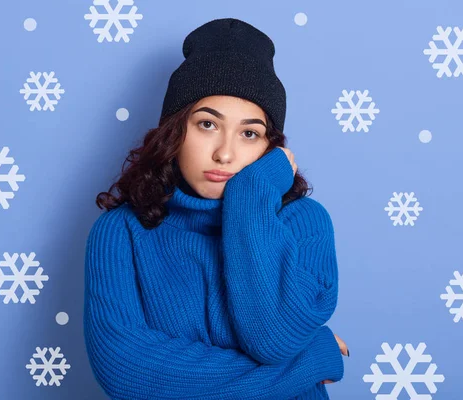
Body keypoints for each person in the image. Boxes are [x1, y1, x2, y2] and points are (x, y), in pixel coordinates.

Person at [84, 17, 349, 399]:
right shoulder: (121, 233)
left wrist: (249, 195)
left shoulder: (305, 223)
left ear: (269, 148)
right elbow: (126, 373)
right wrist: (309, 359)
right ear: (175, 131)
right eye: (207, 124)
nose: (225, 153)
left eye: (249, 133)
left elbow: (271, 340)